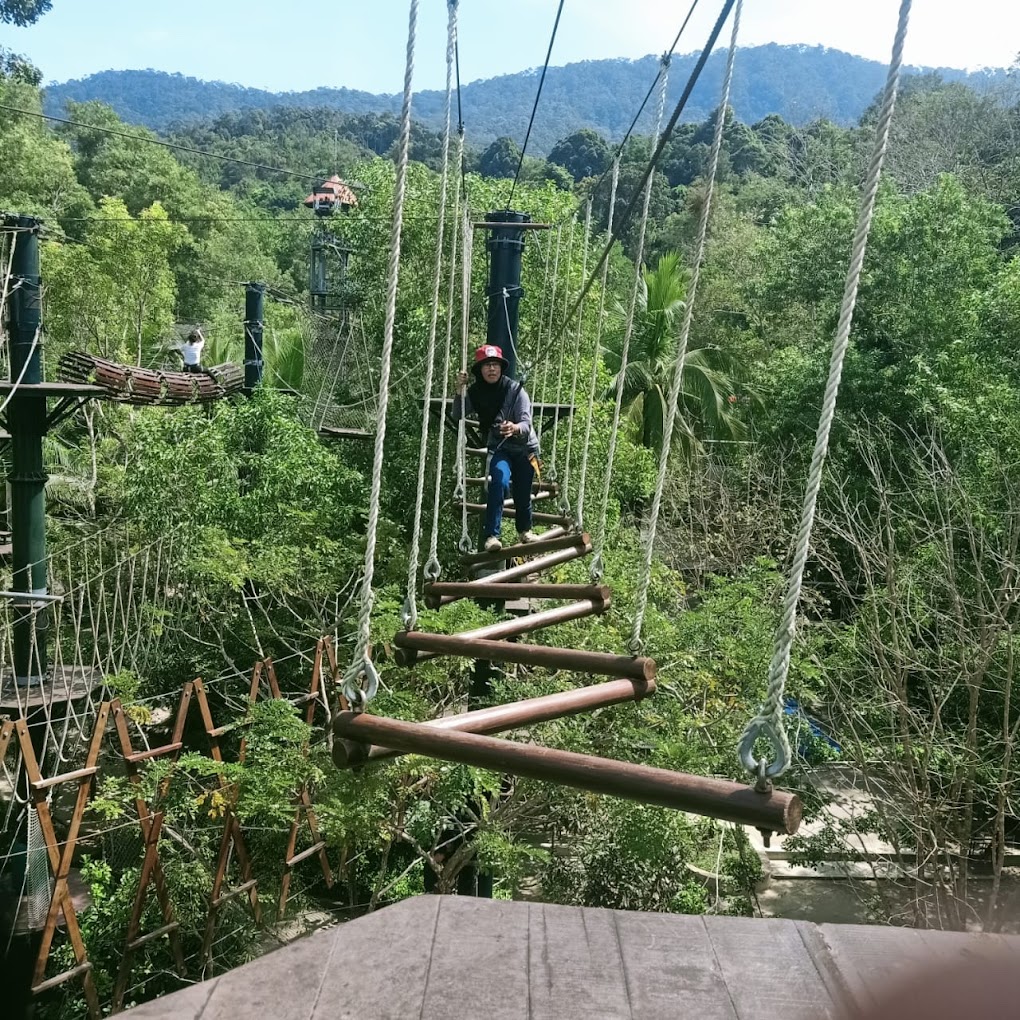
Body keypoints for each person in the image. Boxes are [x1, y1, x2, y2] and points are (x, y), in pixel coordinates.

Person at [453, 344, 540, 552]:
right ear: (480, 370)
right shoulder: (475, 392)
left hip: (525, 448)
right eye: (487, 365)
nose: (492, 369)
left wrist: (514, 427)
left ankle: (525, 530)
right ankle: (492, 535)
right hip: (500, 447)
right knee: (498, 481)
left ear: (501, 368)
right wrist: (459, 390)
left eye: (495, 365)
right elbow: (458, 414)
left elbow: (526, 424)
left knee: (522, 491)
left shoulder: (515, 390)